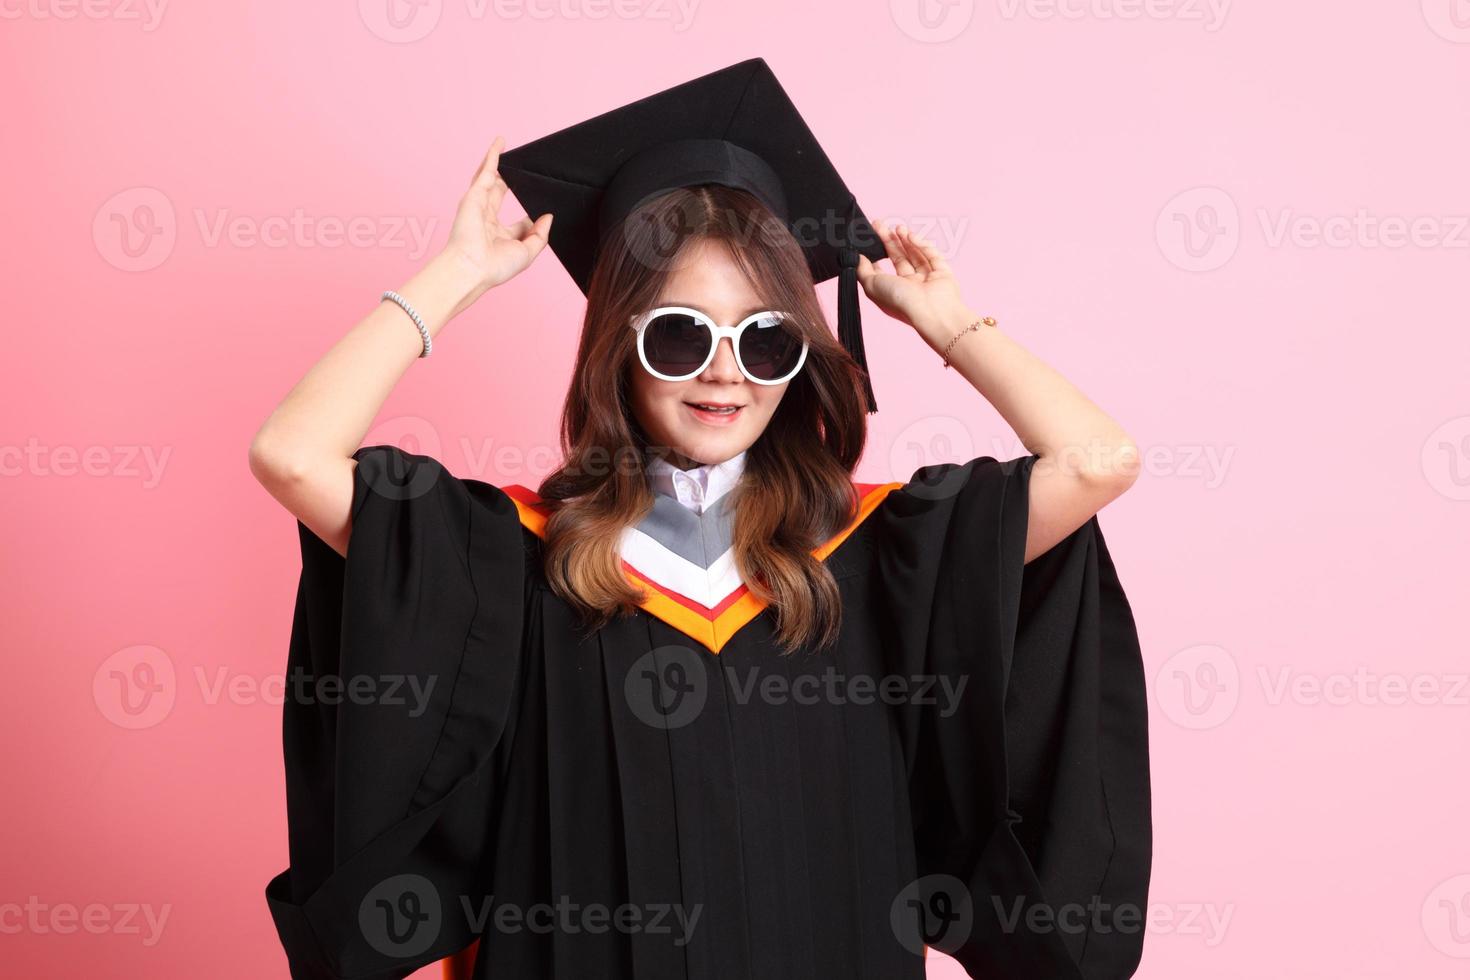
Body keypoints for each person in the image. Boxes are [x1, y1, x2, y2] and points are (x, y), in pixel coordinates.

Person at [250, 58, 1151, 980]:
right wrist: (458, 275)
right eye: (680, 333)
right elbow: (293, 456)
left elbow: (1097, 460)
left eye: (767, 338)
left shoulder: (882, 553)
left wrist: (947, 321)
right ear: (618, 347)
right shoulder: (511, 560)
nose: (727, 372)